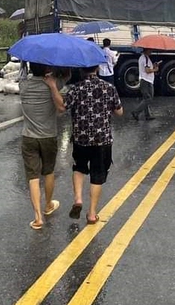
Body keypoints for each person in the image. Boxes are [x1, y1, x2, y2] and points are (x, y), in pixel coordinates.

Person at [47, 65, 123, 225]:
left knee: (79, 168)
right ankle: (92, 214)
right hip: (102, 140)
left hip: (81, 138)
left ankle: (78, 199)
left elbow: (61, 107)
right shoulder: (109, 87)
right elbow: (119, 111)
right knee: (97, 175)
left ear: (81, 71)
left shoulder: (76, 89)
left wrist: (53, 87)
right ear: (97, 69)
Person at [20, 62, 64, 230]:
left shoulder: (23, 85)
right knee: (48, 171)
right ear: (47, 69)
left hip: (28, 136)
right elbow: (66, 76)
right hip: (48, 136)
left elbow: (22, 74)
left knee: (33, 176)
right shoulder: (54, 84)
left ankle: (37, 216)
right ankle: (48, 205)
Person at [131, 48, 161, 121]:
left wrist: (153, 65)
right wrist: (155, 69)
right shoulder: (145, 58)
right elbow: (147, 70)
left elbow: (147, 68)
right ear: (146, 50)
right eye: (150, 50)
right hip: (146, 81)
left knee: (146, 98)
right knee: (148, 99)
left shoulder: (143, 58)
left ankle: (147, 115)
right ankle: (136, 112)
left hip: (145, 80)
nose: (151, 51)